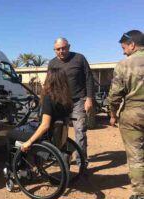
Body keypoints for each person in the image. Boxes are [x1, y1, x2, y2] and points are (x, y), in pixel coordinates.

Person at [107, 30, 144, 199]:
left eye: (124, 48)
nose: (123, 52)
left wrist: (112, 113)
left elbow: (115, 94)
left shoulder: (124, 65)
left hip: (133, 114)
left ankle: (141, 197)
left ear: (132, 45)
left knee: (136, 156)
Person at [48, 38, 94, 167]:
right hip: (60, 102)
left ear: (69, 46)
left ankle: (81, 162)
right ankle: (63, 160)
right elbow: (50, 83)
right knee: (60, 132)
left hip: (78, 100)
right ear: (54, 50)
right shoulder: (52, 63)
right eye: (58, 49)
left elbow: (89, 78)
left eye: (64, 48)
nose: (61, 51)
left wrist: (89, 98)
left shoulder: (79, 58)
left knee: (80, 131)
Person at [8, 68, 73, 152]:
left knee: (11, 133)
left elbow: (45, 125)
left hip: (45, 136)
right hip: (56, 136)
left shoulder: (49, 98)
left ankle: (15, 163)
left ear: (50, 80)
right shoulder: (66, 99)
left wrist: (29, 141)